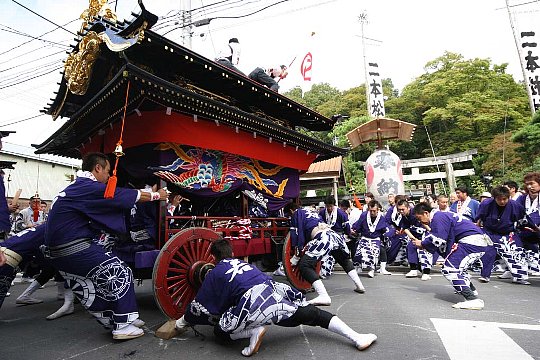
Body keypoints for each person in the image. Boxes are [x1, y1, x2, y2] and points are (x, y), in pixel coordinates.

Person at [174, 239, 377, 356]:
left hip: (251, 304)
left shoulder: (216, 272)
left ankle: (253, 331)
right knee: (311, 314)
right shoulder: (245, 265)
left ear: (213, 258)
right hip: (274, 293)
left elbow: (199, 306)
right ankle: (357, 337)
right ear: (232, 252)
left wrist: (180, 323)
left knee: (220, 331)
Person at [43, 152, 167, 340]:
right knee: (120, 271)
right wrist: (158, 194)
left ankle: (119, 318)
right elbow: (119, 196)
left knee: (100, 280)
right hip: (73, 246)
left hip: (60, 249)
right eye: (108, 171)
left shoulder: (75, 188)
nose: (109, 177)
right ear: (98, 168)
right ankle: (123, 326)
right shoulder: (87, 187)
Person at [413, 202, 492, 310]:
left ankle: (472, 299)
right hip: (475, 241)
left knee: (449, 269)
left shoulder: (438, 217)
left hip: (471, 242)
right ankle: (471, 291)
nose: (420, 221)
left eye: (419, 218)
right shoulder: (442, 215)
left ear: (426, 213)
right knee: (458, 269)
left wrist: (422, 243)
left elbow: (439, 239)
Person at [284, 201, 366, 306]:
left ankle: (323, 295)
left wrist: (296, 255)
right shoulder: (311, 211)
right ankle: (359, 286)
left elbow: (297, 232)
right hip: (333, 235)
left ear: (291, 211)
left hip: (322, 238)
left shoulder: (297, 214)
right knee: (343, 260)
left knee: (304, 265)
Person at [476, 186, 527, 284]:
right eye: (499, 199)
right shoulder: (486, 204)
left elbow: (523, 220)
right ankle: (485, 275)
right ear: (494, 198)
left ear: (508, 197)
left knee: (515, 252)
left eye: (504, 199)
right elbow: (479, 218)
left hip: (507, 232)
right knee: (488, 252)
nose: (502, 202)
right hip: (489, 231)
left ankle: (519, 277)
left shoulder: (515, 205)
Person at [395, 199, 433, 280]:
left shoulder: (415, 213)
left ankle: (426, 272)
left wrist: (430, 232)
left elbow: (424, 222)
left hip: (424, 233)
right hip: (415, 234)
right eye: (399, 209)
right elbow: (405, 228)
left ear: (408, 208)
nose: (401, 211)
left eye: (403, 209)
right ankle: (413, 269)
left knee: (424, 251)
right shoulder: (403, 216)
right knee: (410, 247)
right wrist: (412, 238)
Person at [351, 200, 392, 277]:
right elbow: (357, 226)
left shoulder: (381, 218)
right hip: (365, 238)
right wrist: (354, 230)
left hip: (376, 239)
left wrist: (388, 234)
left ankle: (374, 269)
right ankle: (358, 267)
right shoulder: (364, 215)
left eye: (374, 211)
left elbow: (386, 229)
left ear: (378, 210)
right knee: (358, 250)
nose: (372, 213)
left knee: (377, 250)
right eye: (371, 211)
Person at [515, 172, 540, 277]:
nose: (529, 186)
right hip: (525, 229)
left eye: (532, 183)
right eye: (527, 184)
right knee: (513, 241)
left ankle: (536, 265)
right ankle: (516, 267)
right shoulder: (522, 198)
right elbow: (516, 212)